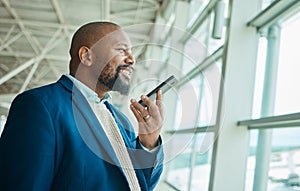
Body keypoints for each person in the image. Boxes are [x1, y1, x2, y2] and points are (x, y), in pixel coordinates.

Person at [0, 21, 164, 191]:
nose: (132, 60)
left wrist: (149, 142)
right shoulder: (39, 106)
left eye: (131, 52)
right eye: (122, 50)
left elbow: (140, 184)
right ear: (86, 56)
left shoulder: (122, 121)